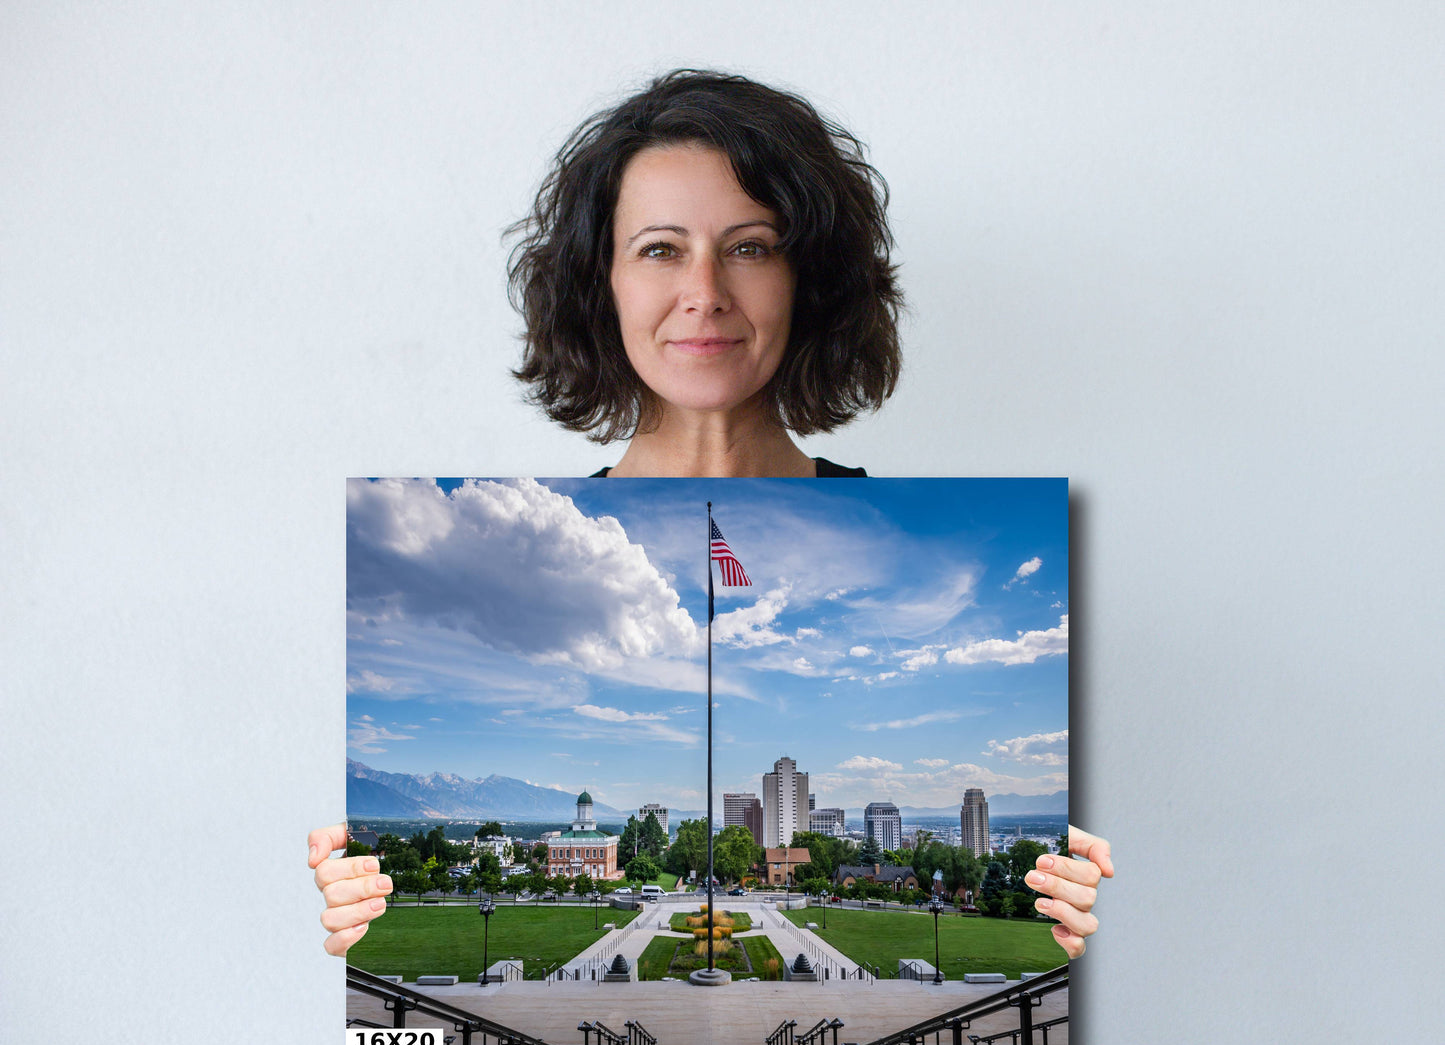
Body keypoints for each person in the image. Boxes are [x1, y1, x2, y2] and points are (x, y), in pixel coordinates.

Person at [312, 69, 1113, 960]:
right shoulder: (555, 530)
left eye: (750, 246)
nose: (705, 291)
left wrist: (1074, 922)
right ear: (600, 283)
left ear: (809, 280)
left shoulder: (941, 540)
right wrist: (348, 914)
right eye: (659, 248)